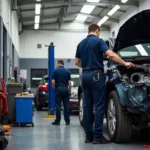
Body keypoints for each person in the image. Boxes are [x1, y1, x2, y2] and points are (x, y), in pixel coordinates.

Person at [75, 24, 134, 144]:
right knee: (99, 106)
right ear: (97, 31)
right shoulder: (98, 41)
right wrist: (124, 63)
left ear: (89, 31)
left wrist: (87, 66)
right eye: (99, 32)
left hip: (85, 76)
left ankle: (88, 136)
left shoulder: (80, 44)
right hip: (96, 76)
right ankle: (98, 136)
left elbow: (76, 62)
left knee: (87, 106)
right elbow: (111, 55)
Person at [51, 60, 72, 125]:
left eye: (56, 63)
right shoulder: (68, 71)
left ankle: (58, 121)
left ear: (59, 63)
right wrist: (70, 90)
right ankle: (67, 121)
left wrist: (55, 88)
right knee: (66, 106)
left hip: (58, 89)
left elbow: (53, 82)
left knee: (58, 106)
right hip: (66, 89)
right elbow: (70, 83)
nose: (56, 65)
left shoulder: (55, 71)